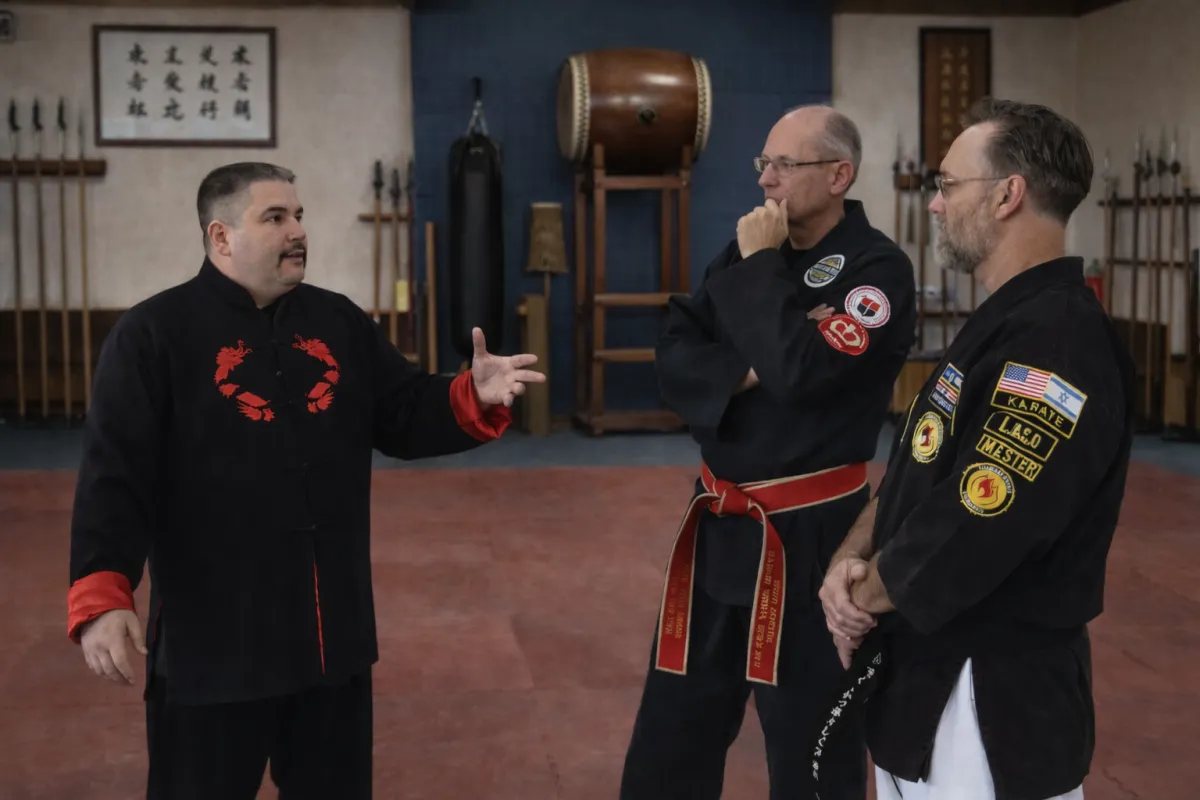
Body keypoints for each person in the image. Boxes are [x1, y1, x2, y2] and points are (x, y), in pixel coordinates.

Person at [66, 161, 545, 799]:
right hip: (217, 649)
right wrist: (103, 595)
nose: (297, 230)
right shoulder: (153, 335)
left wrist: (471, 394)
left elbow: (402, 412)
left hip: (331, 642)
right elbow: (113, 473)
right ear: (221, 237)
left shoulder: (338, 322)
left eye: (299, 216)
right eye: (275, 217)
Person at [819, 98, 1135, 800]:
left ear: (1006, 195)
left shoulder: (1060, 343)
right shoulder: (999, 326)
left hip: (991, 700)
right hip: (922, 679)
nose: (934, 205)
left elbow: (978, 517)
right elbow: (915, 472)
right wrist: (849, 559)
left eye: (947, 185)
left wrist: (859, 598)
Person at [619, 105, 917, 799]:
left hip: (812, 536)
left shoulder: (876, 272)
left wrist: (759, 280)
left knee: (809, 740)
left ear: (839, 174)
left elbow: (805, 374)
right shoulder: (749, 248)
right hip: (720, 524)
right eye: (763, 163)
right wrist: (749, 366)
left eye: (786, 164)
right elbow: (673, 353)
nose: (768, 180)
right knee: (673, 726)